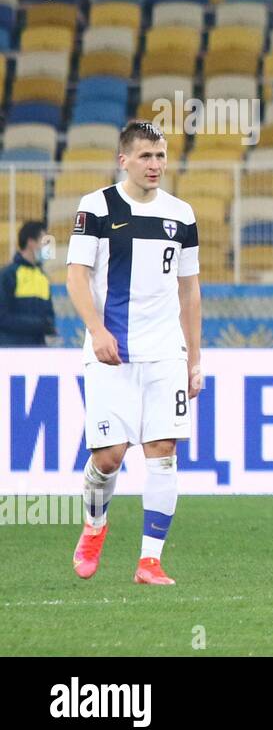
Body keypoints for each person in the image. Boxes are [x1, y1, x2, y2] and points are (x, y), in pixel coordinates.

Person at [65, 121, 203, 585]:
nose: (155, 165)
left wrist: (195, 358)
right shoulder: (97, 207)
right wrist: (97, 330)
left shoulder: (181, 215)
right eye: (146, 156)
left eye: (161, 155)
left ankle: (150, 561)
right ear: (123, 159)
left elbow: (190, 291)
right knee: (109, 457)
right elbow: (76, 276)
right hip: (112, 352)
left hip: (165, 352)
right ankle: (95, 525)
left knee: (163, 452)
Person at [0, 220, 57, 346]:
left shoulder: (43, 277)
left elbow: (49, 316)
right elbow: (2, 317)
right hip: (12, 349)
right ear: (31, 242)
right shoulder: (8, 274)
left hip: (38, 350)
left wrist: (49, 328)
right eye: (44, 241)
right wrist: (38, 325)